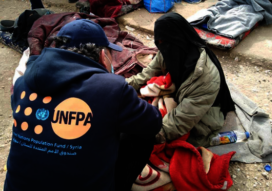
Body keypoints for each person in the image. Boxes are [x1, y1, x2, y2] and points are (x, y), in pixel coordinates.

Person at [5, 19, 162, 191]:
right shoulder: (112, 88)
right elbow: (152, 121)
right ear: (103, 55)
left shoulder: (22, 83)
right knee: (139, 134)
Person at [126, 13, 235, 147]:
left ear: (179, 39)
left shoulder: (205, 77)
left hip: (201, 118)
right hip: (181, 99)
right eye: (159, 44)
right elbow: (144, 76)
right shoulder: (167, 51)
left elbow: (179, 122)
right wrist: (119, 87)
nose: (163, 48)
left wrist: (144, 136)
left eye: (165, 43)